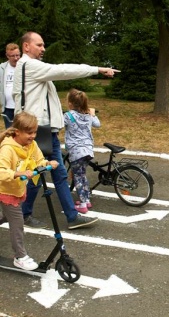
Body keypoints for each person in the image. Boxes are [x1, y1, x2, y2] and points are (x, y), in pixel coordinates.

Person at [12, 31, 119, 230]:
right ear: (26, 46)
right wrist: (97, 69)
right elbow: (63, 70)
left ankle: (26, 213)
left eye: (43, 45)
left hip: (42, 131)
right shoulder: (30, 65)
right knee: (54, 174)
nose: (43, 48)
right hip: (39, 132)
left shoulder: (31, 68)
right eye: (39, 45)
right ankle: (70, 216)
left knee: (42, 174)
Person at [0, 112, 58, 270]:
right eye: (29, 132)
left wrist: (47, 163)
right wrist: (18, 173)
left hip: (17, 189)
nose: (33, 136)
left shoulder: (31, 145)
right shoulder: (8, 149)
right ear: (17, 132)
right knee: (17, 222)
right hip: (5, 190)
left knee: (5, 216)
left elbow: (38, 159)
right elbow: (1, 171)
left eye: (35, 132)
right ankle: (19, 256)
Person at [64, 89, 100, 213]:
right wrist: (93, 113)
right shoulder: (88, 115)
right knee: (83, 175)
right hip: (88, 150)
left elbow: (59, 125)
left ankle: (83, 204)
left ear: (70, 103)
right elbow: (97, 124)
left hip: (76, 151)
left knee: (78, 177)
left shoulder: (68, 116)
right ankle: (87, 199)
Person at [0, 43, 21, 128]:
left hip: (22, 108)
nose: (16, 58)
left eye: (18, 55)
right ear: (7, 56)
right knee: (9, 133)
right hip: (7, 108)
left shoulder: (24, 66)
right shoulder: (2, 68)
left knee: (22, 132)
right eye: (12, 56)